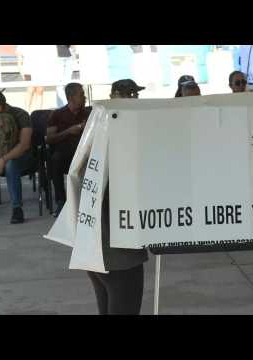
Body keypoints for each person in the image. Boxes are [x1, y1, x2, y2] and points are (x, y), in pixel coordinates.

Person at [86, 79, 149, 315]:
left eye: (135, 93)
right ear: (114, 96)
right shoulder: (120, 129)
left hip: (96, 244)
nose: (133, 98)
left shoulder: (98, 124)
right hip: (117, 248)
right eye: (128, 93)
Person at [46, 83, 91, 217]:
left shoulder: (88, 114)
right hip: (65, 153)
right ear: (71, 98)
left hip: (84, 152)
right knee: (55, 160)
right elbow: (49, 139)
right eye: (81, 95)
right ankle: (61, 201)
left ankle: (88, 203)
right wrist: (68, 132)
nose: (85, 98)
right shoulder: (57, 114)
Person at [0, 90, 34, 224]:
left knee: (11, 165)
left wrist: (3, 160)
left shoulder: (20, 115)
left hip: (22, 157)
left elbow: (24, 145)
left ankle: (17, 209)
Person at [16, 45, 59, 112]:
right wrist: (21, 70)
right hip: (28, 70)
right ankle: (27, 112)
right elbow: (19, 57)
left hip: (41, 69)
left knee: (40, 90)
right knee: (30, 89)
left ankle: (38, 112)